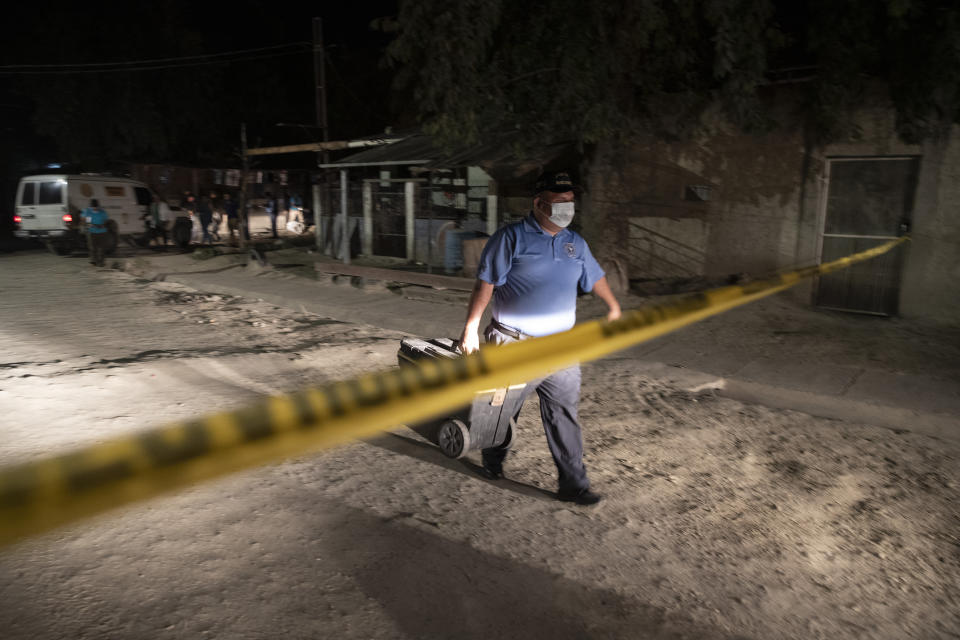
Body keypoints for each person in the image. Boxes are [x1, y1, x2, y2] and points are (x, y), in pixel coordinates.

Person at [457, 171, 621, 506]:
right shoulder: (511, 238)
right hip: (513, 343)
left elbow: (595, 275)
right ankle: (493, 460)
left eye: (570, 201)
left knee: (564, 415)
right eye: (559, 201)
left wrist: (613, 305)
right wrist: (471, 327)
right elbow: (485, 284)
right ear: (538, 203)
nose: (567, 207)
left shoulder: (575, 243)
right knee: (501, 411)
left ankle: (574, 485)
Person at [82, 198, 111, 267]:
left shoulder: (103, 212)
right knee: (92, 247)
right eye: (93, 208)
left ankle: (101, 262)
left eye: (96, 207)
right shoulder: (88, 212)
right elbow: (86, 222)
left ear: (98, 206)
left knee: (102, 248)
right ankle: (94, 261)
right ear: (91, 207)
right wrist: (90, 225)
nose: (95, 209)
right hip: (92, 232)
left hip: (102, 232)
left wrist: (102, 225)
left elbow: (106, 221)